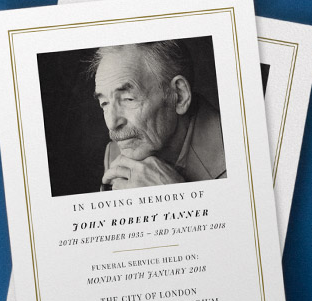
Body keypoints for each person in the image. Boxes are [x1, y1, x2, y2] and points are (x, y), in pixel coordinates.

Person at [91, 40, 225, 191]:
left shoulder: (242, 153)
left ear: (179, 96)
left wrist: (177, 196)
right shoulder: (115, 152)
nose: (112, 123)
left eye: (128, 99)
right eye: (104, 103)